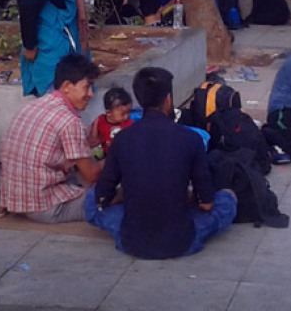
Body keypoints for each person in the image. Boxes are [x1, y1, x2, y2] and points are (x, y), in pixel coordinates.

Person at [86, 67, 237, 259]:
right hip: (181, 241)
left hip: (132, 241)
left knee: (91, 198)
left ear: (139, 101)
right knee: (227, 200)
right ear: (167, 99)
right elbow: (206, 205)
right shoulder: (191, 139)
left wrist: (131, 194)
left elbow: (101, 198)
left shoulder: (122, 139)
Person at [0, 54, 102, 223]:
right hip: (45, 206)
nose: (91, 94)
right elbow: (90, 175)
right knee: (113, 195)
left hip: (14, 199)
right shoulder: (70, 121)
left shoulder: (32, 106)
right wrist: (117, 152)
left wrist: (88, 143)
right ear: (67, 86)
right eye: (87, 87)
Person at [90, 87, 135, 157]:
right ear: (108, 113)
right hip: (107, 156)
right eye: (123, 114)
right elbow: (92, 142)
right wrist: (95, 126)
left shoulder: (130, 124)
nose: (126, 117)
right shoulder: (100, 121)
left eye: (129, 112)